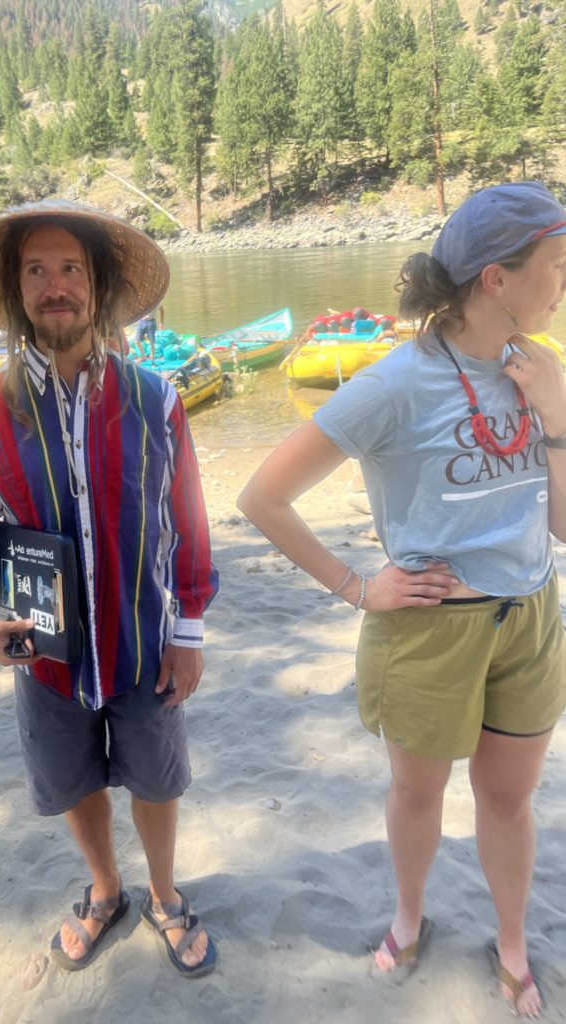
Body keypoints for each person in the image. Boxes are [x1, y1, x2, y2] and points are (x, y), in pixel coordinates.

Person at [238, 181, 566, 1019]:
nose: (565, 282)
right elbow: (264, 497)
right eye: (558, 265)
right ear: (497, 278)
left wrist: (557, 420)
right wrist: (357, 585)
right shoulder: (396, 384)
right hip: (428, 626)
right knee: (418, 793)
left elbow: (564, 528)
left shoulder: (543, 368)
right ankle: (409, 916)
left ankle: (513, 938)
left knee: (507, 798)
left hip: (530, 616)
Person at [0, 200, 218, 977]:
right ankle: (105, 888)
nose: (55, 286)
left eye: (71, 269)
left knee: (157, 779)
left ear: (98, 285)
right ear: (16, 287)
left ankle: (162, 892)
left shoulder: (156, 400)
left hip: (144, 641)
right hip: (44, 653)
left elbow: (186, 517)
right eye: (36, 270)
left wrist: (188, 630)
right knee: (71, 779)